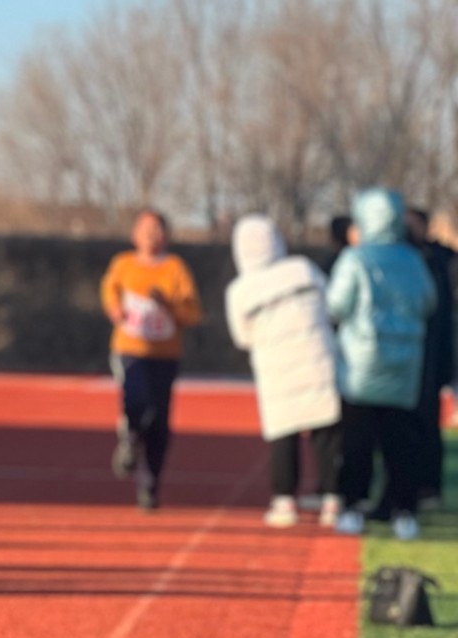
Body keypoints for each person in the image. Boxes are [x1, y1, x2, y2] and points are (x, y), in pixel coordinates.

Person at [328, 189, 436, 540]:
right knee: (400, 443)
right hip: (405, 366)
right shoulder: (413, 261)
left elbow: (337, 304)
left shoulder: (355, 259)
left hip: (362, 365)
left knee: (357, 443)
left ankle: (353, 507)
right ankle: (404, 512)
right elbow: (428, 302)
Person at [225, 215, 342, 528]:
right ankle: (332, 500)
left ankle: (284, 501)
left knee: (283, 433)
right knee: (326, 431)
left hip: (275, 367)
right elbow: (332, 305)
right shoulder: (302, 268)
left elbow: (242, 336)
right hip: (318, 358)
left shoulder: (239, 290)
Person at [99, 209, 203, 510]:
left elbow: (192, 313)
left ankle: (150, 483)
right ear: (134, 234)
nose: (151, 235)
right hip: (130, 349)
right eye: (145, 229)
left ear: (166, 235)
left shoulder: (175, 268)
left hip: (165, 353)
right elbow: (109, 291)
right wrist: (115, 309)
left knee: (159, 421)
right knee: (136, 400)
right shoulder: (123, 264)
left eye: (157, 229)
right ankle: (129, 439)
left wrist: (167, 304)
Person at [404, 207, 453, 507]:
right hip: (403, 356)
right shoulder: (400, 258)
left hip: (432, 354)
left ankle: (429, 486)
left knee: (427, 422)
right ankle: (404, 487)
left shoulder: (441, 260)